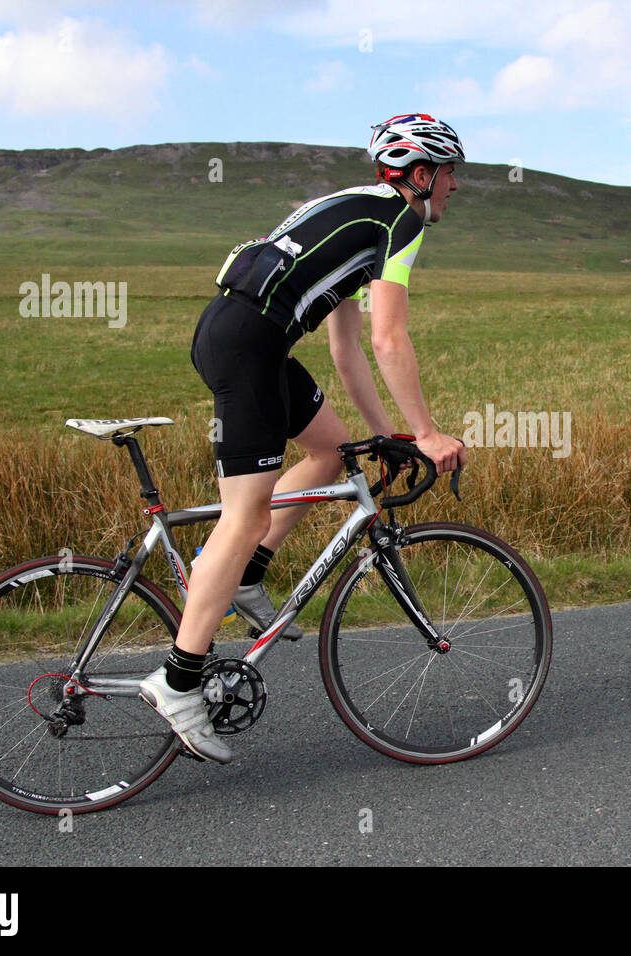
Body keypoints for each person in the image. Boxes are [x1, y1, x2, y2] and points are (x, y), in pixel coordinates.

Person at [139, 114, 467, 762]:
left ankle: (246, 575)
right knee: (244, 515)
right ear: (423, 175)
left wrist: (388, 438)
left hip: (243, 336)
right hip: (250, 348)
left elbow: (348, 351)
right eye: (453, 174)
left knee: (331, 451)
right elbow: (388, 338)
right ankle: (178, 681)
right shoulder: (397, 221)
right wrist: (427, 434)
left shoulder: (346, 213)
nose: (457, 188)